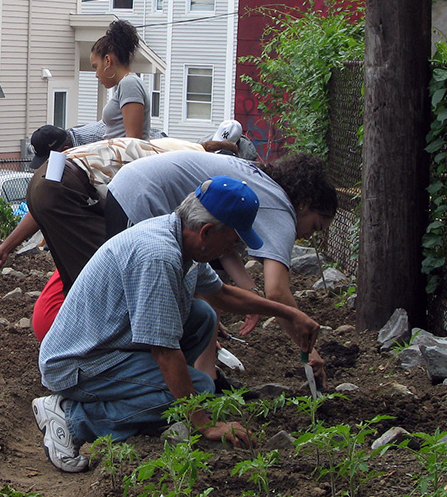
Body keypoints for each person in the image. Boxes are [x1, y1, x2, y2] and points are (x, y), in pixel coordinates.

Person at [34, 177, 320, 473]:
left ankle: (145, 403)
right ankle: (72, 419)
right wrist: (204, 423)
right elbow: (165, 351)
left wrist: (289, 313)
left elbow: (220, 293)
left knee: (202, 316)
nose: (233, 249)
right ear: (207, 231)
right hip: (78, 364)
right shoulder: (159, 255)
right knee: (198, 386)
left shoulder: (180, 237)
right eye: (233, 241)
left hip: (108, 344)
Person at [104, 149, 337, 384]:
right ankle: (142, 382)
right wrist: (308, 349)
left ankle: (207, 375)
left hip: (141, 184)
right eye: (315, 226)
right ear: (305, 204)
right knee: (155, 302)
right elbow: (277, 291)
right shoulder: (282, 212)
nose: (308, 236)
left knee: (204, 289)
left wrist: (249, 291)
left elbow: (222, 248)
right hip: (139, 195)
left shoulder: (264, 185)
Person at [0, 126, 204, 339]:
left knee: (108, 273)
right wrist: (5, 248)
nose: (49, 165)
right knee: (107, 276)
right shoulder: (71, 162)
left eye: (51, 159)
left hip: (124, 197)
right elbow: (45, 200)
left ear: (65, 148)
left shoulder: (177, 170)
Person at [90, 19, 150, 140]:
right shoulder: (126, 84)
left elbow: (133, 142)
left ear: (108, 60)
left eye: (96, 67)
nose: (96, 74)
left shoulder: (130, 84)